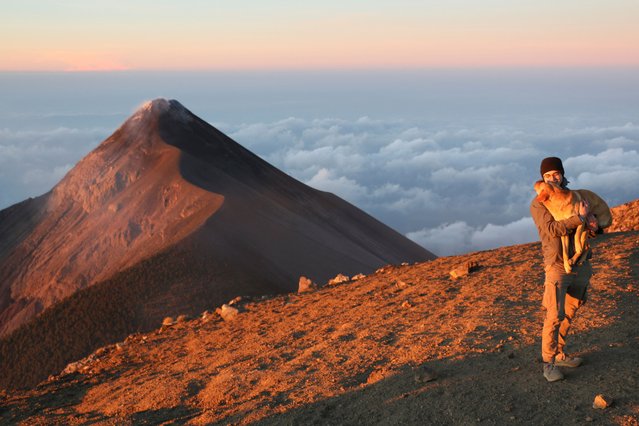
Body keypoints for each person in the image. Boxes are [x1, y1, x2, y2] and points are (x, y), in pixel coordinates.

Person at [530, 157, 593, 382]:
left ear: (562, 174)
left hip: (581, 262)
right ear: (542, 178)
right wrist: (579, 218)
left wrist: (592, 224)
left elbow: (590, 228)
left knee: (571, 310)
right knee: (554, 315)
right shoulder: (540, 203)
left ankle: (559, 354)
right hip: (557, 264)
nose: (553, 178)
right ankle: (548, 364)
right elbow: (551, 230)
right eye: (548, 176)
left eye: (556, 174)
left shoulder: (575, 197)